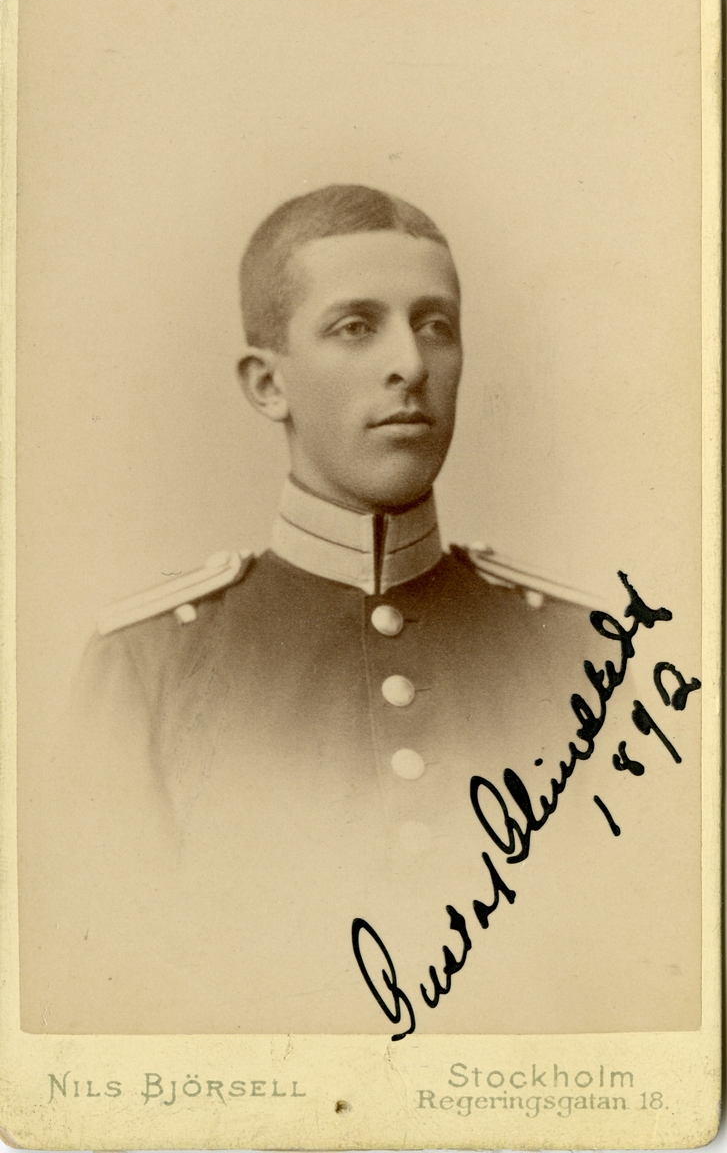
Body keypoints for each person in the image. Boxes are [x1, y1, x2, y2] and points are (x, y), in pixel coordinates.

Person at [20, 185, 700, 1038]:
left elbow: (642, 990)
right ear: (267, 383)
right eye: (355, 327)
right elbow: (101, 1005)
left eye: (435, 325)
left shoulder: (584, 655)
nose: (410, 363)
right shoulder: (147, 664)